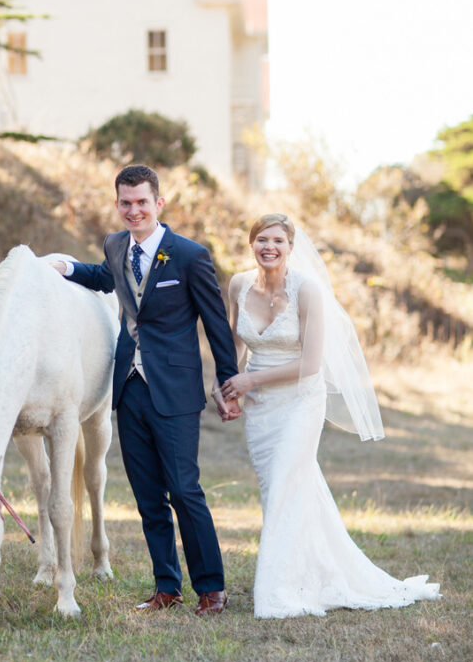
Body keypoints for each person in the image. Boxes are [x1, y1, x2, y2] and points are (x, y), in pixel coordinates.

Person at [221, 213, 441, 619]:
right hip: (260, 408)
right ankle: (311, 573)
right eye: (261, 240)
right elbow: (235, 343)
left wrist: (252, 381)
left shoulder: (308, 290)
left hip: (300, 400)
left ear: (290, 247)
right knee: (283, 490)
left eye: (278, 241)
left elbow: (311, 364)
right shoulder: (238, 284)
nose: (269, 247)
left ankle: (278, 592)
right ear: (251, 244)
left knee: (289, 479)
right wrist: (228, 389)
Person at [52, 164, 241, 616]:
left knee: (184, 489)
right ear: (117, 205)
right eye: (125, 203)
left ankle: (211, 588)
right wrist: (67, 267)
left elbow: (216, 325)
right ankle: (167, 587)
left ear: (159, 203)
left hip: (174, 389)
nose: (133, 210)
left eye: (141, 202)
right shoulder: (116, 245)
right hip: (128, 388)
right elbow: (104, 277)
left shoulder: (190, 256)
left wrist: (228, 382)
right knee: (147, 494)